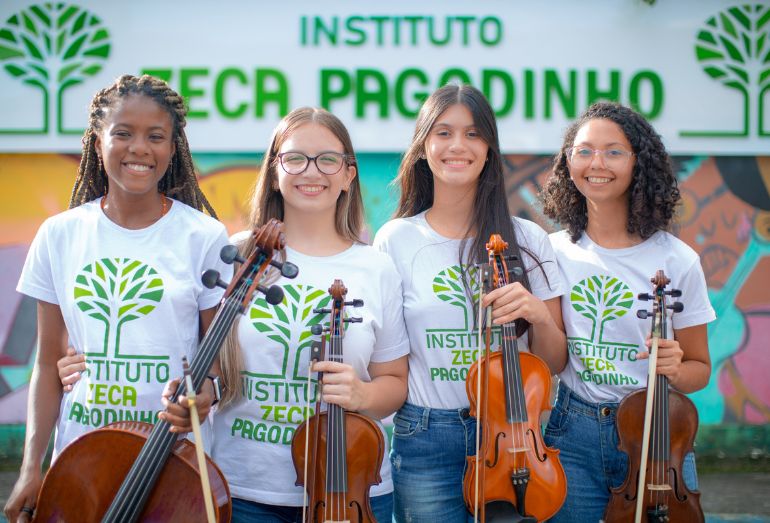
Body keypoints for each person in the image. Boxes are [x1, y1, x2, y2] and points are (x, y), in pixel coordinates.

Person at [164, 106, 410, 522]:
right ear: (275, 170)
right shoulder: (237, 253)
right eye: (294, 158)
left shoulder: (377, 268)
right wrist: (197, 392)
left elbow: (395, 382)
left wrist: (362, 395)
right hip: (241, 489)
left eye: (327, 159)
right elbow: (212, 369)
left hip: (348, 488)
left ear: (349, 174)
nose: (310, 171)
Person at [4, 74, 229, 523]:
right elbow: (48, 364)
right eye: (123, 133)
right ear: (97, 139)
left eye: (155, 136)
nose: (139, 148)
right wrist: (32, 468)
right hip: (82, 461)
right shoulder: (60, 234)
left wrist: (205, 395)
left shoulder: (203, 236)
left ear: (173, 147)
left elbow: (217, 362)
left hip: (173, 464)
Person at [373, 84, 567, 522]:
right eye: (443, 133)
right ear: (423, 147)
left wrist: (536, 313)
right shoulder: (396, 239)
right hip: (426, 435)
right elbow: (389, 360)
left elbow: (554, 361)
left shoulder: (528, 238)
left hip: (516, 439)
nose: (458, 145)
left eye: (474, 134)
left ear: (489, 150)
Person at [539, 101, 715, 522]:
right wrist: (540, 317)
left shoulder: (678, 260)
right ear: (568, 161)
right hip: (572, 430)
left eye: (613, 151)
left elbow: (699, 370)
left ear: (640, 163)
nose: (596, 163)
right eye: (583, 151)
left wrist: (675, 367)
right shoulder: (554, 251)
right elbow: (555, 361)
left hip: (656, 438)